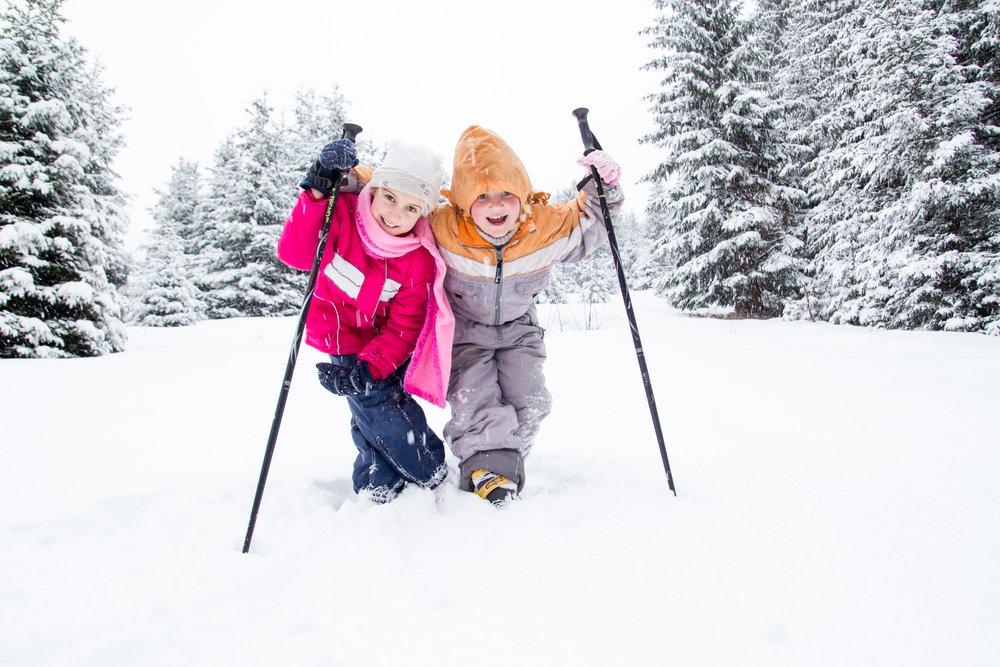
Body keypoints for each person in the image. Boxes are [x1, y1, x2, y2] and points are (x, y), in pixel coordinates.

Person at [429, 125, 624, 506]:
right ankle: (487, 466)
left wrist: (603, 186)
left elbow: (593, 223)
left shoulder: (544, 226)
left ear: (522, 193)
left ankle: (506, 454)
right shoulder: (444, 227)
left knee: (530, 400)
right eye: (482, 196)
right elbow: (394, 197)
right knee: (474, 398)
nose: (497, 205)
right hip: (466, 330)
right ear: (464, 201)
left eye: (506, 194)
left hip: (520, 329)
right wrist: (352, 180)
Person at [276, 138, 454, 504]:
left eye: (410, 207)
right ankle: (386, 475)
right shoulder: (339, 214)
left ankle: (419, 468)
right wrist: (317, 190)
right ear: (374, 190)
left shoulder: (417, 258)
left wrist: (369, 369)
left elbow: (404, 325)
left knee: (374, 404)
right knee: (369, 408)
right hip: (339, 337)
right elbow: (294, 254)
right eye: (389, 198)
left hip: (385, 348)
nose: (396, 215)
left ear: (422, 211)